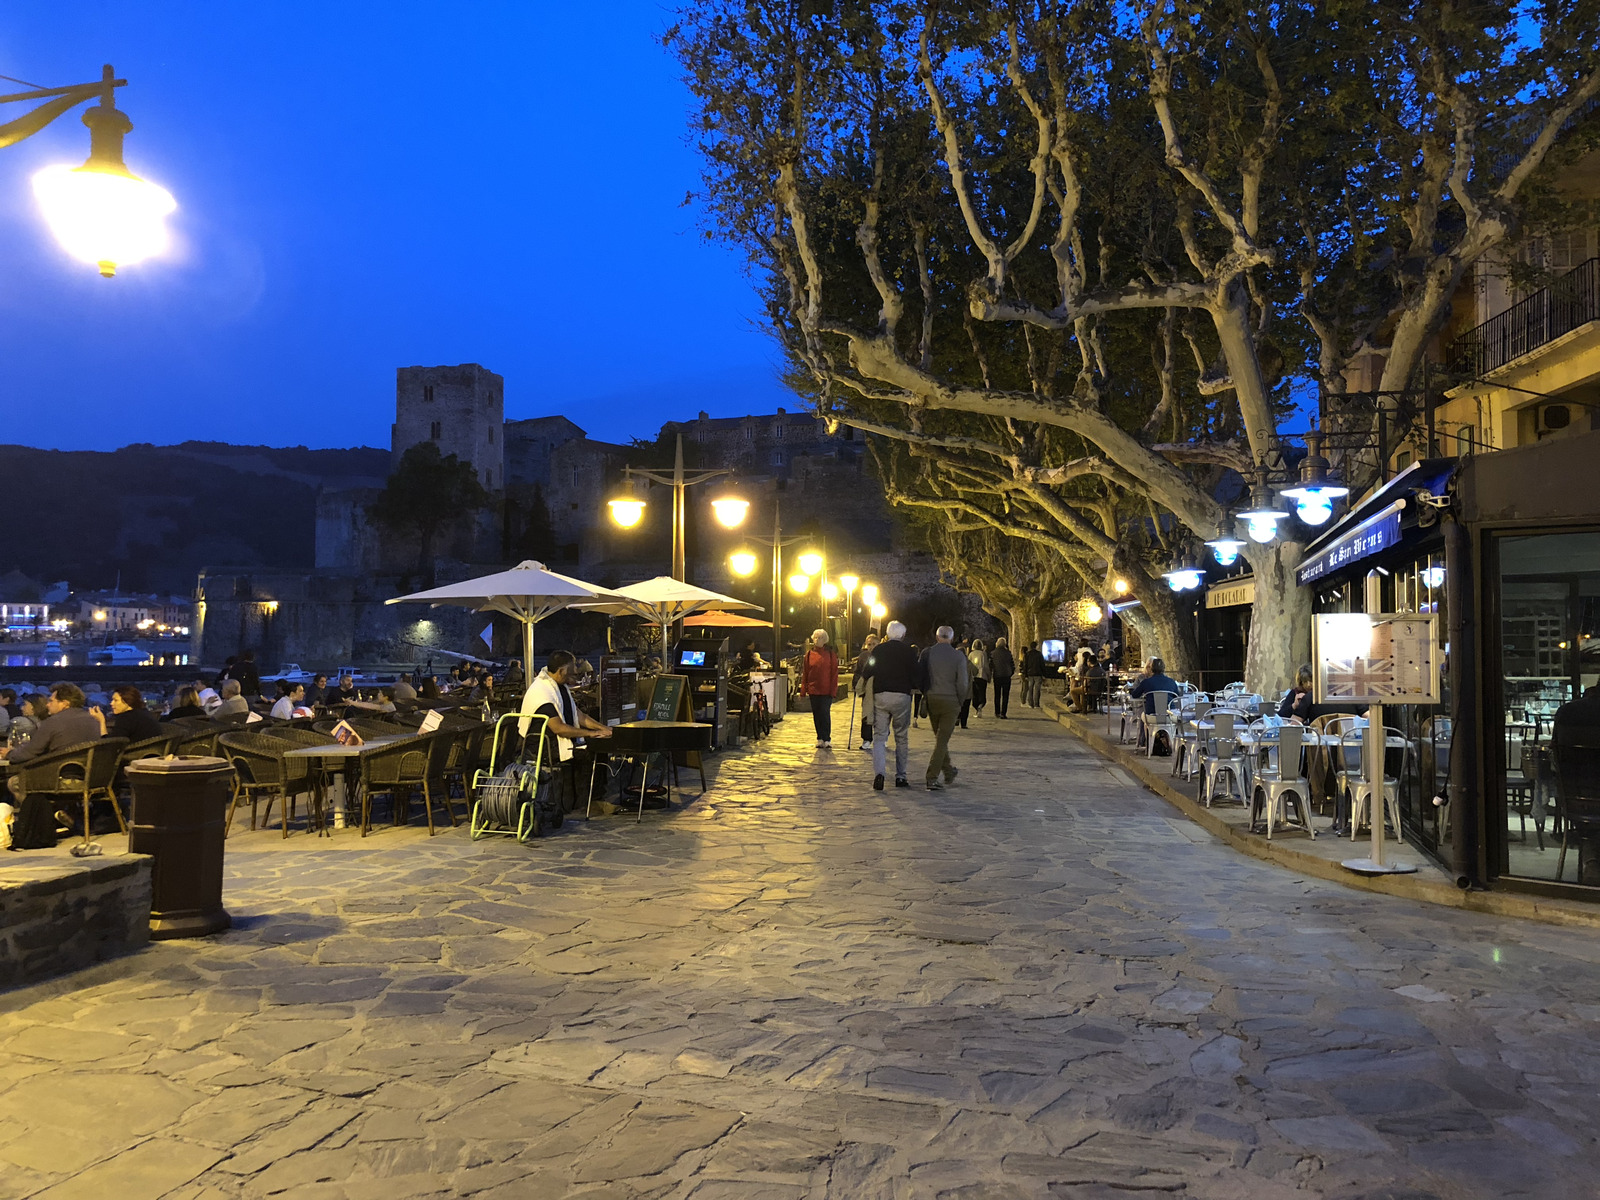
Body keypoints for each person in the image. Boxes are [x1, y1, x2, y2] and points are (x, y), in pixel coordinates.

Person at [518, 649, 613, 809]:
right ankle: (585, 803)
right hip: (545, 747)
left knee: (600, 745)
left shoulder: (559, 686)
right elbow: (559, 729)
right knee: (591, 751)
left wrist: (604, 729)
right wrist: (592, 734)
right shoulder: (542, 692)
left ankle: (593, 798)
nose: (576, 671)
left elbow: (579, 715)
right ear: (562, 671)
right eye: (573, 668)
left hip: (558, 741)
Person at [859, 621, 917, 790]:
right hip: (901, 696)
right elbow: (915, 672)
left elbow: (869, 668)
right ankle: (900, 776)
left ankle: (879, 773)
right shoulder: (909, 652)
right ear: (903, 635)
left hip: (881, 696)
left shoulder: (879, 650)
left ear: (888, 634)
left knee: (879, 736)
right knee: (901, 737)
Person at [919, 626, 970, 791]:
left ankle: (948, 770)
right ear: (952, 637)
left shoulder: (927, 653)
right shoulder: (958, 656)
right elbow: (962, 683)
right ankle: (932, 777)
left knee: (940, 739)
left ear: (937, 636)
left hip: (932, 698)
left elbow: (921, 675)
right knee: (942, 740)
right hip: (951, 700)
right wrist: (960, 701)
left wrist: (924, 693)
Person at [800, 629, 840, 749]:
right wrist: (803, 690)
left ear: (825, 640)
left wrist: (833, 690)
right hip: (813, 689)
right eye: (816, 638)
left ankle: (827, 738)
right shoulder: (809, 655)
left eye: (820, 638)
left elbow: (834, 673)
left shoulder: (830, 654)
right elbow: (805, 672)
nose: (818, 640)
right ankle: (820, 738)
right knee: (816, 714)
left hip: (826, 690)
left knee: (825, 713)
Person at [91, 686, 164, 742]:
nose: (111, 703)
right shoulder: (144, 713)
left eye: (115, 700)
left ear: (128, 701)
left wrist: (102, 721)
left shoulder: (126, 718)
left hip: (134, 756)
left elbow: (111, 746)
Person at [853, 633, 880, 751]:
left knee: (881, 714)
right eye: (869, 644)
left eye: (874, 644)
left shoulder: (883, 655)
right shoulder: (863, 656)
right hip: (866, 689)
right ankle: (866, 738)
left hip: (879, 688)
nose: (871, 646)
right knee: (866, 713)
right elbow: (858, 671)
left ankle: (881, 737)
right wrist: (856, 685)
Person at [965, 639, 991, 726]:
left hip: (973, 677)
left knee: (974, 694)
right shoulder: (983, 654)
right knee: (982, 692)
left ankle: (976, 707)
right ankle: (981, 704)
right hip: (982, 676)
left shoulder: (971, 654)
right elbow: (986, 666)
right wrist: (988, 675)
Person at [990, 637, 1015, 718]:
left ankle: (997, 712)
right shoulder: (1008, 653)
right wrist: (1010, 673)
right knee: (1005, 695)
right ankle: (1003, 713)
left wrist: (991, 674)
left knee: (997, 695)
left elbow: (991, 665)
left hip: (997, 676)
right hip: (1006, 676)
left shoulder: (993, 653)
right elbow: (1012, 665)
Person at [1022, 642, 1047, 708]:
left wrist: (1025, 675)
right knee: (1037, 689)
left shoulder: (1027, 654)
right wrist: (1044, 674)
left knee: (1030, 689)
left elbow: (1025, 665)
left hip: (1030, 674)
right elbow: (1042, 664)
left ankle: (1031, 703)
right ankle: (1036, 703)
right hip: (1038, 673)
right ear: (1036, 646)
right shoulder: (1039, 654)